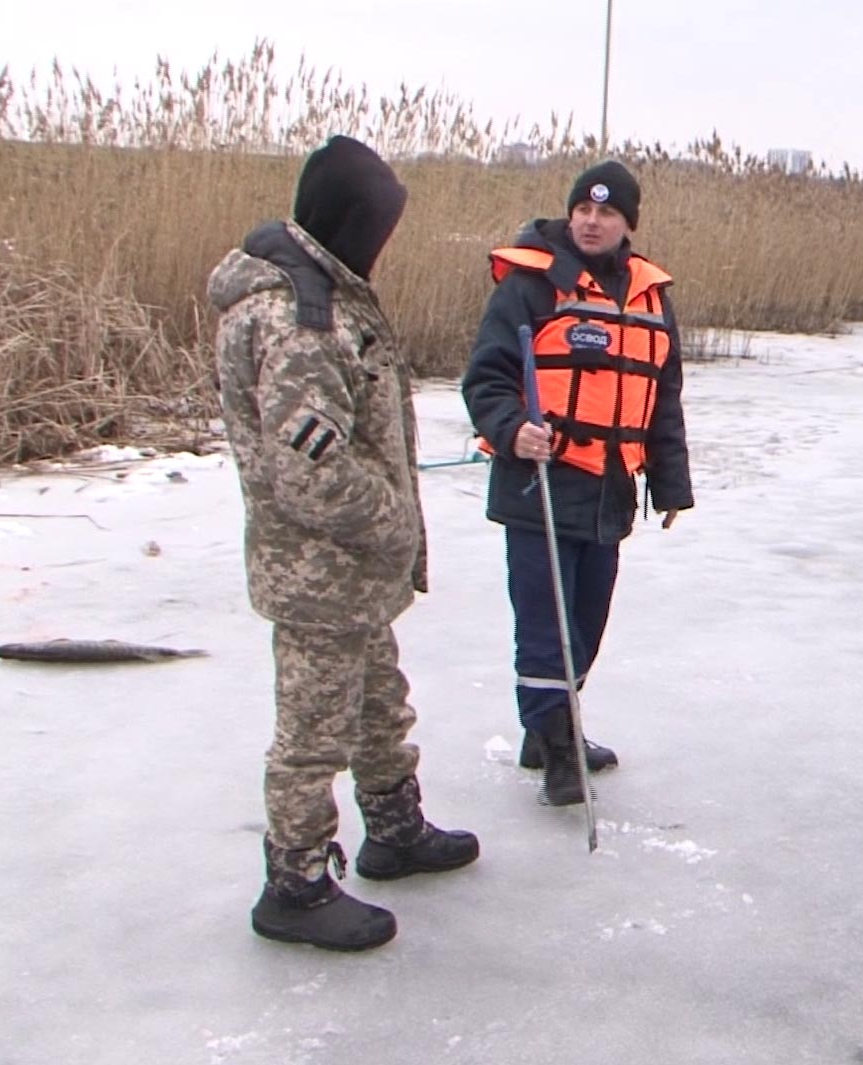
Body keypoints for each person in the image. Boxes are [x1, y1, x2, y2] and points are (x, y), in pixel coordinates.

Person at [209, 135, 478, 953]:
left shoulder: (327, 289)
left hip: (349, 569)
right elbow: (311, 476)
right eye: (376, 222)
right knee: (313, 729)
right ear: (346, 220)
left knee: (374, 703)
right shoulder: (301, 317)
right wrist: (394, 521)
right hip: (320, 565)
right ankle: (294, 883)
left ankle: (394, 827)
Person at [461, 159, 694, 808]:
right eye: (583, 210)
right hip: (539, 485)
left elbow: (663, 398)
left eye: (607, 213)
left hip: (609, 492)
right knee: (546, 628)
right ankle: (561, 752)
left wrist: (670, 483)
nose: (592, 221)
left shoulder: (650, 296)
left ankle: (546, 728)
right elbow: (485, 379)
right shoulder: (531, 285)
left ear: (628, 224)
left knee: (586, 624)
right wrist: (512, 429)